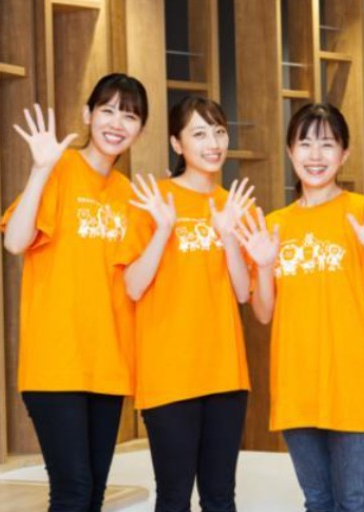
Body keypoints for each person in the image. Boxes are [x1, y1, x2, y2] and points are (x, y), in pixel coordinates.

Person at [237, 102, 364, 512]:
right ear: (290, 151)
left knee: (356, 502)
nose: (315, 155)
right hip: (297, 384)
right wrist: (263, 264)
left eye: (327, 144)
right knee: (317, 501)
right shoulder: (274, 224)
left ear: (344, 153)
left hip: (355, 383)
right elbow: (263, 312)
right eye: (305, 143)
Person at [1, 73, 148, 512]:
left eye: (130, 116)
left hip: (107, 364)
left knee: (94, 493)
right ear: (87, 115)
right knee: (72, 490)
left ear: (141, 129)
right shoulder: (60, 169)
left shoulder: (128, 194)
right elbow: (15, 241)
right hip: (55, 363)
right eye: (108, 110)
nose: (117, 123)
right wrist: (40, 169)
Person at [122, 96, 253, 512]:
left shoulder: (238, 205)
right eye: (199, 134)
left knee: (220, 497)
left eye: (219, 132)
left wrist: (228, 235)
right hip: (169, 372)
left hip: (225, 372)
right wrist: (164, 229)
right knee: (174, 496)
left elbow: (244, 292)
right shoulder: (152, 200)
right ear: (177, 144)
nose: (213, 143)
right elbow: (133, 286)